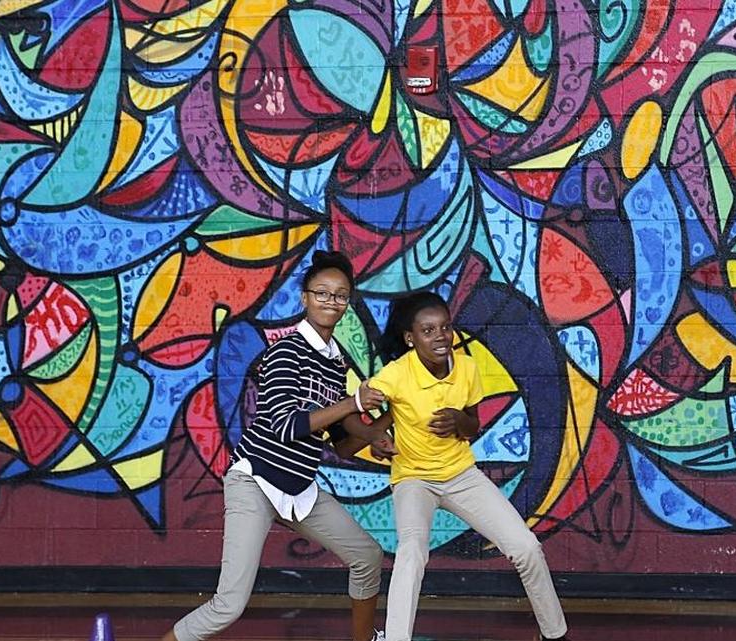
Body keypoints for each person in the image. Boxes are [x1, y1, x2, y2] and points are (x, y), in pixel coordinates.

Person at [162, 251, 394, 641]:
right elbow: (286, 426)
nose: (331, 302)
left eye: (340, 295)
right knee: (228, 605)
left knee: (366, 556)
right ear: (304, 297)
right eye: (322, 293)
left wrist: (386, 424)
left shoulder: (334, 362)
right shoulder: (288, 351)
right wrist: (355, 402)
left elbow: (341, 446)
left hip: (298, 488)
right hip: (256, 481)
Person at [368, 292, 570, 641]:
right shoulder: (396, 374)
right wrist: (374, 436)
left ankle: (555, 634)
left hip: (461, 475)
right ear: (410, 339)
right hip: (414, 479)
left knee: (526, 548)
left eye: (445, 327)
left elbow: (473, 424)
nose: (440, 337)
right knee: (412, 552)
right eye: (428, 330)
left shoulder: (467, 368)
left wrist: (460, 419)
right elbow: (360, 409)